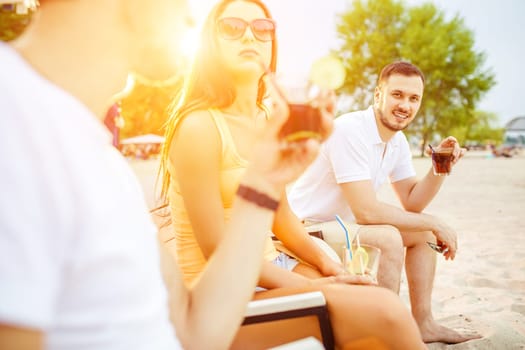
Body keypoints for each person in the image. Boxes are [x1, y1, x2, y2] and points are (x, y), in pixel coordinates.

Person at [0, 1, 329, 349]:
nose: (188, 17)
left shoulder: (103, 160)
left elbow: (194, 330)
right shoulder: (14, 123)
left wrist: (265, 182)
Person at [158, 1, 427, 348]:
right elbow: (216, 251)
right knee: (384, 311)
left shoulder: (267, 118)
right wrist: (316, 286)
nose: (250, 36)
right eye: (232, 27)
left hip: (271, 265)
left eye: (262, 28)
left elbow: (281, 214)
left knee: (360, 293)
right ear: (209, 41)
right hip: (219, 295)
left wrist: (328, 268)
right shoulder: (199, 127)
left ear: (272, 44)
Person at [288, 61, 481, 344]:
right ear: (378, 94)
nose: (405, 105)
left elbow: (412, 203)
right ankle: (386, 328)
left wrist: (440, 167)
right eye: (397, 94)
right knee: (389, 237)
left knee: (423, 235)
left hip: (343, 227)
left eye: (414, 98)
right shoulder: (350, 130)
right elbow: (366, 211)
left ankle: (424, 323)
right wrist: (438, 222)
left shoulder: (397, 141)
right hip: (307, 230)